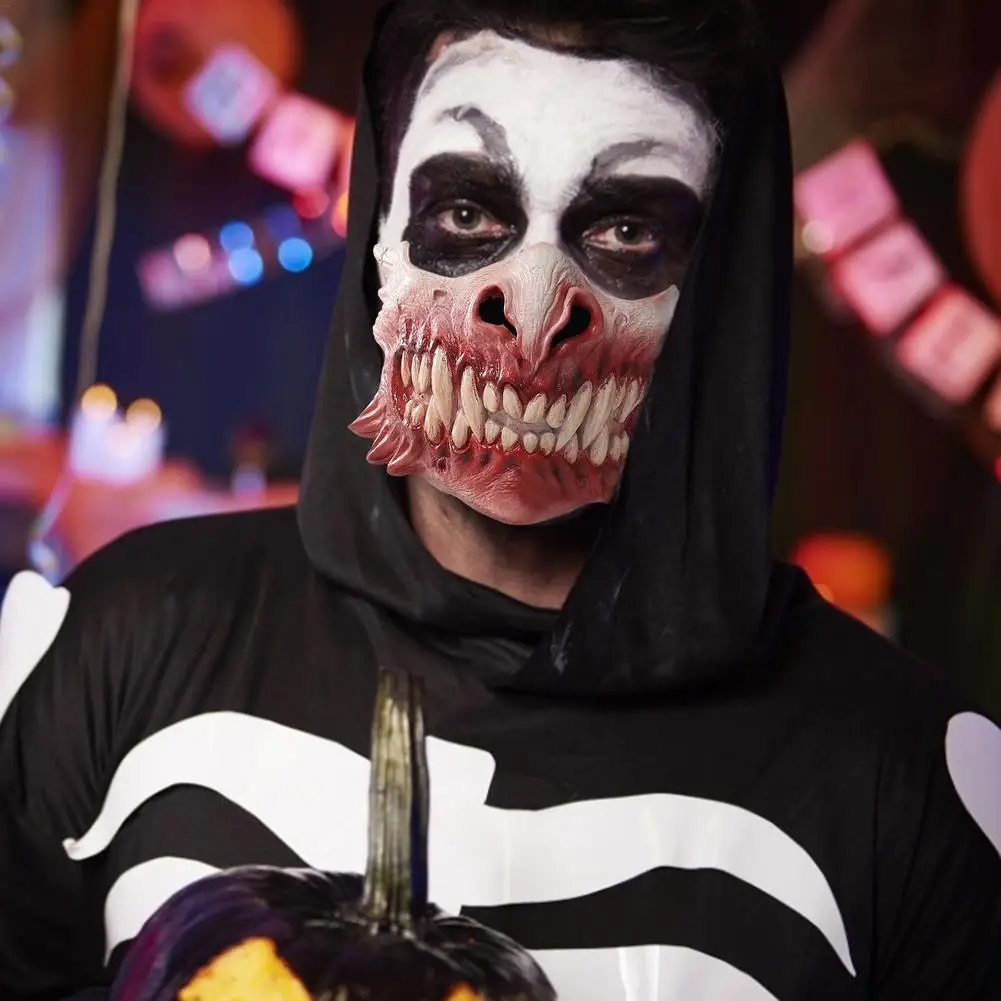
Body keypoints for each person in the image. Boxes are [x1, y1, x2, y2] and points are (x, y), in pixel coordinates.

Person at [1, 0, 1000, 998]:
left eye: (624, 229)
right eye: (468, 214)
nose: (528, 310)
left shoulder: (905, 776)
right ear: (380, 237)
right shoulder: (121, 640)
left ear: (718, 290)